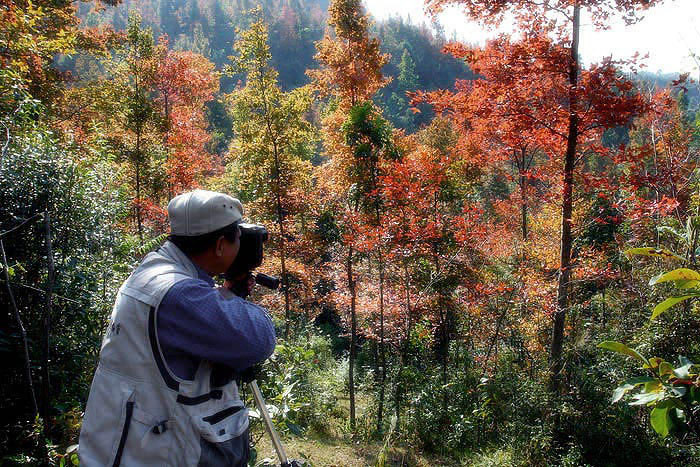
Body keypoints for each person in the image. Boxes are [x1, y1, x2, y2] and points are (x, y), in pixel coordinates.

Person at [79, 190, 276, 466]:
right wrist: (237, 297)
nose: (241, 244)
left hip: (122, 443)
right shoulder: (180, 295)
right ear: (220, 245)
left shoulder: (154, 269)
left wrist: (228, 291)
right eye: (238, 237)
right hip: (151, 452)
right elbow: (259, 339)